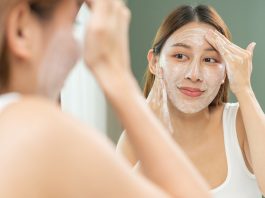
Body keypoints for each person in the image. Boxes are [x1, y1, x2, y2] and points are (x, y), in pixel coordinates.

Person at [0, 0, 212, 197]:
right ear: (21, 30)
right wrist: (116, 73)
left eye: (210, 59)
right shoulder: (34, 128)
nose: (77, 51)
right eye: (72, 24)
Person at [117, 4, 265, 198]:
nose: (194, 75)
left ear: (225, 72)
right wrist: (152, 139)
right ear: (154, 62)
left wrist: (244, 89)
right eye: (180, 56)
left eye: (210, 60)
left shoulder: (241, 124)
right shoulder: (134, 138)